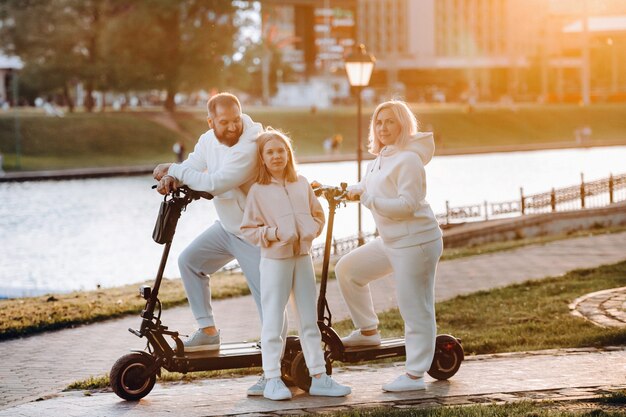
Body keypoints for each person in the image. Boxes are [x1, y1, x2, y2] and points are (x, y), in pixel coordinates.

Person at [153, 92, 286, 396]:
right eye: (223, 122)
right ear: (210, 121)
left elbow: (215, 182)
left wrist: (173, 169)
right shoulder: (207, 140)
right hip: (228, 228)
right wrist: (174, 178)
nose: (231, 127)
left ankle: (273, 372)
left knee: (269, 303)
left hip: (256, 233)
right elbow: (194, 166)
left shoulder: (251, 145)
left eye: (236, 120)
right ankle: (208, 331)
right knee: (190, 262)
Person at [335, 100, 443, 392]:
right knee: (347, 269)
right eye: (379, 122)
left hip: (416, 241)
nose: (383, 128)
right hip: (391, 241)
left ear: (403, 126)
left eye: (390, 122)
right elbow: (367, 185)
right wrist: (349, 191)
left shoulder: (409, 160)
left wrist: (369, 200)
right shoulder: (380, 158)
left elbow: (407, 205)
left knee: (414, 305)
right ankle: (368, 330)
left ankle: (415, 375)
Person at [240, 129, 352, 401]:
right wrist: (275, 233)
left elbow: (318, 215)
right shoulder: (258, 191)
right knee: (274, 321)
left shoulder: (301, 183)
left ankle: (319, 377)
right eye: (270, 152)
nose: (277, 156)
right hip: (275, 262)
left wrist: (310, 231)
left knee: (308, 320)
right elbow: (248, 230)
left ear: (288, 154)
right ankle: (273, 379)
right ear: (263, 159)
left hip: (302, 258)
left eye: (281, 151)